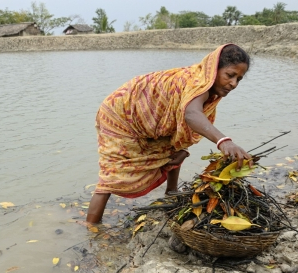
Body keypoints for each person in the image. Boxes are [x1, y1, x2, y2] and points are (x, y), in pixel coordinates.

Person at [86, 43, 253, 223]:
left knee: (175, 150)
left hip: (147, 118)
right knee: (111, 175)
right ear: (213, 69)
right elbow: (191, 114)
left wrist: (182, 149)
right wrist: (224, 141)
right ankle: (92, 228)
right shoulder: (197, 83)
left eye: (239, 79)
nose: (234, 84)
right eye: (230, 75)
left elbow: (181, 125)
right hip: (120, 114)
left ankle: (171, 194)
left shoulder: (206, 86)